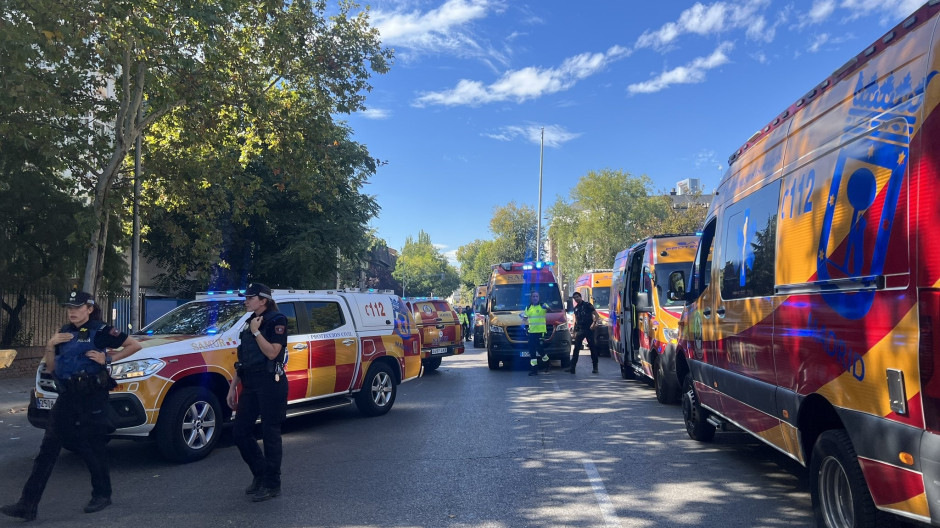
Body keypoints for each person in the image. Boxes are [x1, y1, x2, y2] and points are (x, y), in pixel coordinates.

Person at [1, 291, 141, 521]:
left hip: (92, 396)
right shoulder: (64, 333)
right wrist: (50, 344)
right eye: (70, 308)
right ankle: (27, 504)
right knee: (48, 449)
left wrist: (108, 359)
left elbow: (133, 345)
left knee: (92, 445)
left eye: (77, 307)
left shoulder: (101, 330)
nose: (72, 312)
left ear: (88, 308)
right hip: (67, 397)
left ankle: (102, 494)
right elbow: (52, 368)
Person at [227, 283, 289, 502]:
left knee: (270, 433)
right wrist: (233, 386)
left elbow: (273, 353)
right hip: (250, 382)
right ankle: (260, 474)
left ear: (263, 300)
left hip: (270, 382)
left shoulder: (277, 321)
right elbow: (242, 359)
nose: (246, 301)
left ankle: (273, 484)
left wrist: (256, 332)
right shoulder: (248, 322)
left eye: (250, 298)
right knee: (240, 432)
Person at [569, 292, 600, 374]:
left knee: (592, 348)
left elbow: (596, 315)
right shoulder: (576, 308)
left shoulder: (587, 305)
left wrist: (594, 323)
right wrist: (574, 332)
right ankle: (572, 367)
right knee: (576, 349)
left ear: (580, 297)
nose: (576, 299)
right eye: (575, 298)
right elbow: (576, 321)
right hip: (580, 330)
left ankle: (595, 366)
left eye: (577, 297)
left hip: (589, 329)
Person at [520, 291, 550, 376]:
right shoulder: (528, 307)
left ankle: (547, 363)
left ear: (539, 298)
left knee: (540, 350)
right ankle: (534, 370)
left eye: (537, 296)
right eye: (533, 296)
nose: (535, 298)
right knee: (532, 351)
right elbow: (525, 318)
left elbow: (550, 310)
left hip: (540, 332)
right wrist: (522, 325)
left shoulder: (543, 305)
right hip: (531, 332)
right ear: (531, 298)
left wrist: (547, 308)